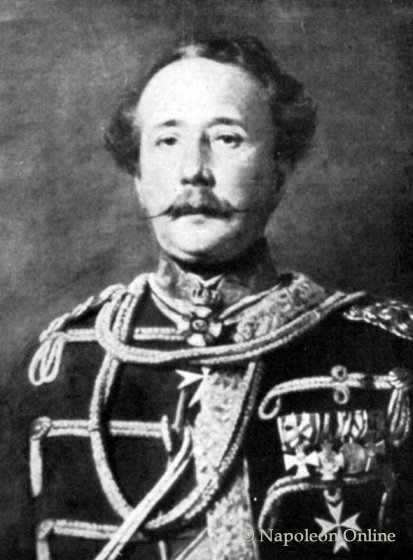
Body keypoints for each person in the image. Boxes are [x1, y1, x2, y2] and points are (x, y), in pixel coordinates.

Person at [2, 36, 413, 560]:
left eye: (226, 138)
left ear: (279, 171)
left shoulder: (382, 355)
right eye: (167, 141)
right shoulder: (57, 367)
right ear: (138, 176)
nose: (193, 170)